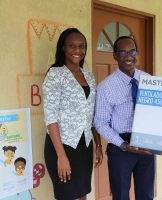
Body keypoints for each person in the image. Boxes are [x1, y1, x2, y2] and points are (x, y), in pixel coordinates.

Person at [43, 28, 103, 200]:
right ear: (63, 48)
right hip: (62, 145)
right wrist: (61, 156)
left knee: (82, 194)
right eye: (72, 46)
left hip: (85, 145)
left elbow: (91, 114)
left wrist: (98, 145)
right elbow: (51, 117)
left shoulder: (88, 76)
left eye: (82, 46)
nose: (77, 50)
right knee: (68, 196)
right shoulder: (55, 74)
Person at [94, 36, 155, 200]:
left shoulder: (149, 80)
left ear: (137, 53)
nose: (129, 56)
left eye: (132, 51)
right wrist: (123, 144)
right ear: (115, 56)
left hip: (145, 144)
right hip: (120, 147)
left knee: (147, 194)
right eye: (122, 52)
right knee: (120, 195)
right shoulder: (106, 87)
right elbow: (100, 123)